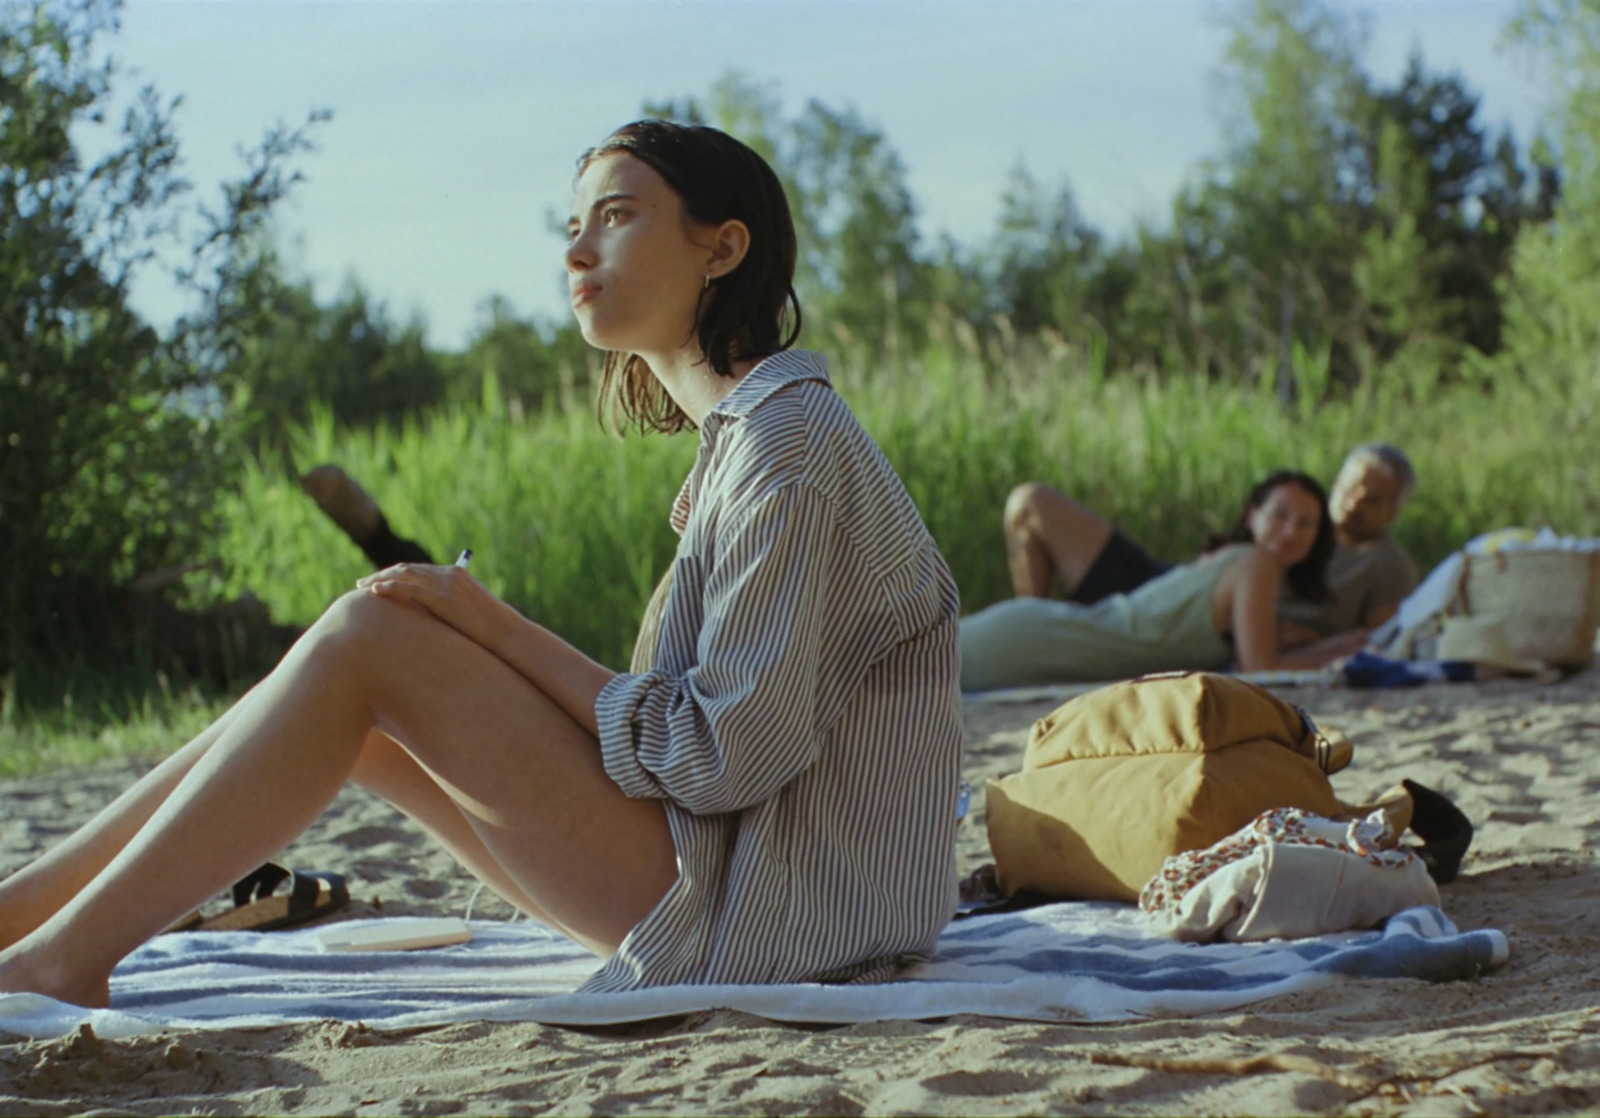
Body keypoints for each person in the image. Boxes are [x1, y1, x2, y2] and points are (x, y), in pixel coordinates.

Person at [0, 121, 964, 1007]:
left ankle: (59, 958)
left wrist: (495, 625)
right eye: (573, 224)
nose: (577, 250)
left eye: (618, 217)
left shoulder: (785, 443)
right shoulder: (750, 440)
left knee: (368, 641)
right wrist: (477, 628)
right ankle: (24, 919)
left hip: (780, 913)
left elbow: (725, 756)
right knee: (367, 697)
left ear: (724, 246)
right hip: (745, 879)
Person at [1002, 442, 1420, 654]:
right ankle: (1038, 616)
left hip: (1206, 628)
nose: (1354, 503)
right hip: (1174, 588)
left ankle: (1039, 637)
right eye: (1350, 487)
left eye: (1374, 499)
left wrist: (1310, 639)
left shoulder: (1385, 565)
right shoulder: (1300, 520)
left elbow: (1382, 640)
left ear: (1396, 511)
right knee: (1031, 503)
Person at [959, 471, 1337, 691]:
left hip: (1039, 632)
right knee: (920, 664)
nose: (1291, 532)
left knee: (917, 660)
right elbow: (1262, 673)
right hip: (1035, 642)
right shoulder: (1257, 565)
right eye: (1280, 515)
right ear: (1253, 515)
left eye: (1306, 524)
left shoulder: (1231, 564)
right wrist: (1347, 652)